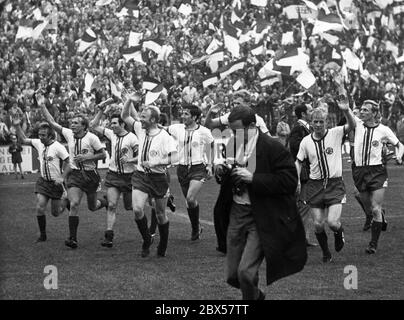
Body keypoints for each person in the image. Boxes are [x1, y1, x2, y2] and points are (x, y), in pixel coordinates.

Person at [214, 105, 307, 300]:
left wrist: (253, 178)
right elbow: (230, 173)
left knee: (245, 273)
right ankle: (256, 296)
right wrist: (222, 171)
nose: (233, 134)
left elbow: (289, 182)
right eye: (231, 130)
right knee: (233, 276)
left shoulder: (273, 147)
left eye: (237, 129)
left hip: (262, 216)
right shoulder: (234, 143)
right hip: (236, 213)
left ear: (253, 126)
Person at [36, 92, 108, 249]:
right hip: (75, 174)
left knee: (92, 206)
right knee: (74, 203)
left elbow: (103, 154)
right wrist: (42, 105)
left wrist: (89, 157)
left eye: (76, 123)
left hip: (90, 175)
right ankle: (72, 238)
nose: (72, 124)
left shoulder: (92, 138)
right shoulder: (68, 133)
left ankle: (105, 202)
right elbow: (51, 121)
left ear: (83, 126)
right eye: (72, 122)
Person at [295, 97, 355, 263]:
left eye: (322, 121)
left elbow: (353, 125)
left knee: (333, 222)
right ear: (312, 122)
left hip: (334, 184)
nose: (319, 125)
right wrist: (297, 180)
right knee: (318, 225)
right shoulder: (306, 141)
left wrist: (346, 110)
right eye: (316, 121)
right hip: (315, 186)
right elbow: (298, 161)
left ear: (326, 122)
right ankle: (326, 253)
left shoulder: (336, 133)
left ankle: (338, 232)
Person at [121, 94, 178, 258]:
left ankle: (163, 245)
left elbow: (174, 158)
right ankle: (147, 239)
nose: (140, 119)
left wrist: (155, 163)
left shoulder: (164, 136)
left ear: (153, 120)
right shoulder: (140, 128)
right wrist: (129, 100)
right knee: (138, 209)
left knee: (160, 214)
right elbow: (125, 116)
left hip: (158, 177)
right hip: (140, 176)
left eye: (144, 117)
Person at [351, 100, 404, 254]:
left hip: (377, 171)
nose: (362, 112)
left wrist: (399, 156)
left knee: (375, 208)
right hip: (360, 171)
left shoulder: (384, 130)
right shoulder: (358, 124)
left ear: (374, 113)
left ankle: (373, 244)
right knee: (368, 206)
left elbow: (400, 145)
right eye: (361, 110)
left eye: (366, 110)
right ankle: (380, 216)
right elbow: (347, 111)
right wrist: (341, 87)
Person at [89, 103, 139, 248]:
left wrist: (129, 160)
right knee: (111, 206)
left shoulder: (132, 138)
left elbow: (140, 156)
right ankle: (109, 236)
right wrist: (100, 110)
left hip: (129, 177)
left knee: (130, 207)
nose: (112, 126)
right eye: (111, 123)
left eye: (115, 123)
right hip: (113, 175)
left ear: (123, 124)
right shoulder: (112, 134)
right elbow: (93, 125)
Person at [13, 119, 70, 242]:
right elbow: (23, 140)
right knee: (40, 207)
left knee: (56, 213)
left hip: (56, 184)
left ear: (50, 136)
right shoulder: (39, 143)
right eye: (39, 134)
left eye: (43, 135)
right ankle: (42, 235)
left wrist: (62, 177)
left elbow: (69, 162)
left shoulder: (58, 147)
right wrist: (17, 126)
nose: (40, 137)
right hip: (43, 182)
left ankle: (65, 200)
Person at [166, 104, 214, 240]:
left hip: (198, 168)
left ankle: (194, 229)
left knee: (190, 198)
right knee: (190, 202)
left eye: (186, 114)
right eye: (183, 113)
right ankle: (196, 227)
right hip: (181, 169)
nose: (183, 116)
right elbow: (162, 130)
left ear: (194, 117)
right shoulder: (176, 128)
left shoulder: (204, 131)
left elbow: (211, 146)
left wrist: (210, 165)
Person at [288, 103, 317, 247]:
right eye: (310, 110)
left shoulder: (305, 127)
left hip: (306, 171)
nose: (313, 112)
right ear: (304, 114)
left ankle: (303, 237)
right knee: (302, 204)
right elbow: (295, 148)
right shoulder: (299, 128)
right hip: (301, 172)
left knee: (304, 205)